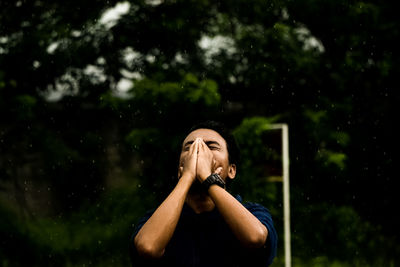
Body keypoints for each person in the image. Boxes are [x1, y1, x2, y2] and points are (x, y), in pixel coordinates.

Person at [129, 121, 277, 266]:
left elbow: (255, 238)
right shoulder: (157, 219)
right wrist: (187, 178)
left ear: (232, 170)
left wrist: (208, 178)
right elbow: (147, 247)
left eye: (211, 147)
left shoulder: (254, 213)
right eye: (190, 148)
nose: (199, 153)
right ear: (180, 166)